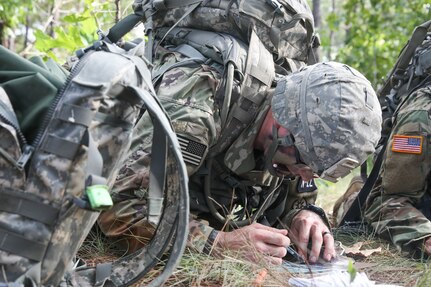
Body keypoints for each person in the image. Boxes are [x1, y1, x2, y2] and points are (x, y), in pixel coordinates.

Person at [98, 53, 382, 265]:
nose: (307, 176)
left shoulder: (293, 140)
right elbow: (119, 206)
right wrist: (216, 243)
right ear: (282, 127)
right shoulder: (195, 116)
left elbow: (292, 199)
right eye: (306, 165)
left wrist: (304, 216)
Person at [334, 81, 431, 257]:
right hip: (412, 197)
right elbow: (386, 201)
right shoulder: (421, 117)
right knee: (369, 206)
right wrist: (424, 236)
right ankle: (356, 195)